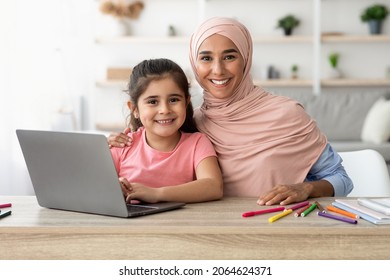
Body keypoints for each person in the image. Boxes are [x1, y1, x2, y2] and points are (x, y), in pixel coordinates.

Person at [109, 17, 353, 206]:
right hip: (212, 229)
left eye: (229, 56)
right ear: (195, 64)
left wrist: (307, 189)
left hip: (278, 224)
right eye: (206, 58)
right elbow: (151, 150)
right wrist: (111, 145)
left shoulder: (287, 114)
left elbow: (342, 180)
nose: (218, 70)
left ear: (246, 59)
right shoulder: (192, 122)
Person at [110, 58, 223, 204]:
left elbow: (214, 186)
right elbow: (94, 185)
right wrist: (115, 188)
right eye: (152, 102)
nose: (164, 110)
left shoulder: (197, 143)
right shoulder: (122, 146)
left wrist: (157, 193)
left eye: (174, 100)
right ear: (134, 109)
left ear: (186, 102)